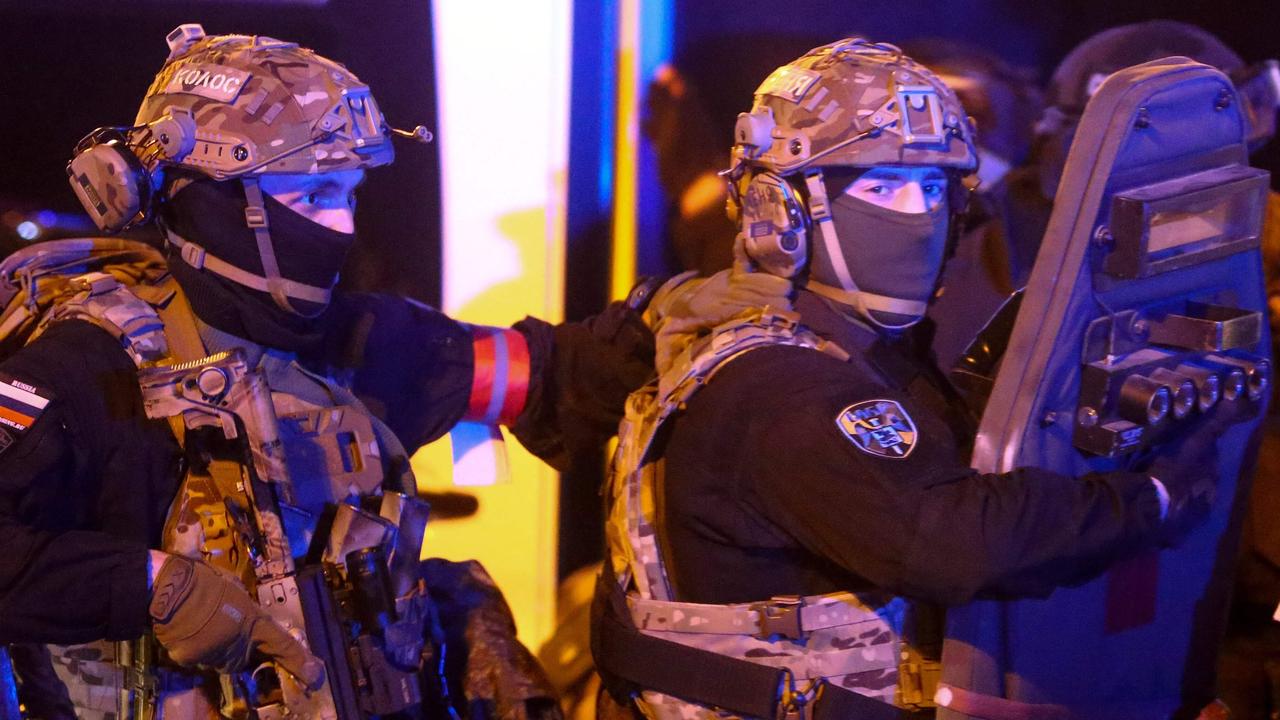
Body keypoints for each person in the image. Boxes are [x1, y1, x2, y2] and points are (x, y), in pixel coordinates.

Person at [0, 25, 669, 719]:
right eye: (314, 194)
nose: (342, 228)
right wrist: (154, 586)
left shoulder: (366, 342)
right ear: (218, 201)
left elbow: (563, 376)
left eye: (347, 194)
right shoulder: (94, 367)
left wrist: (686, 322)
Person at [591, 38, 1238, 719]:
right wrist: (1150, 500)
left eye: (932, 188)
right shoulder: (780, 385)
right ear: (780, 212)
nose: (917, 212)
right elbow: (949, 543)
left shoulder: (865, 355)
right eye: (881, 186)